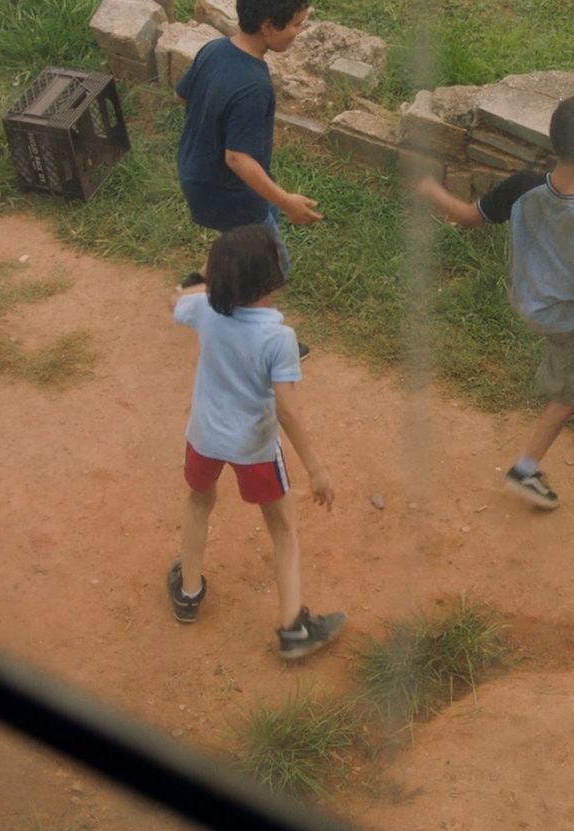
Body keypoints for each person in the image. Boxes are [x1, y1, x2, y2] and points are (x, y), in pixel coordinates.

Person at [414, 95, 574, 509]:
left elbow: (468, 217)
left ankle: (551, 377)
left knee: (559, 367)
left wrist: (433, 189)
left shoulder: (523, 185)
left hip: (524, 300)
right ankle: (525, 469)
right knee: (568, 396)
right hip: (565, 319)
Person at [167, 224, 343, 659]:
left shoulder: (205, 309)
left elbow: (176, 300)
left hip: (204, 437)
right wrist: (315, 468)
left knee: (198, 501)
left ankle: (188, 592)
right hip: (254, 448)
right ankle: (292, 628)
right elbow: (286, 409)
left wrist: (202, 277)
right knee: (282, 529)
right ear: (271, 277)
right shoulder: (278, 338)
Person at [175, 0, 321, 357]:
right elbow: (238, 159)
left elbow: (182, 94)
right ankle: (260, 337)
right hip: (229, 190)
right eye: (295, 26)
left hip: (197, 170)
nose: (298, 33)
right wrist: (285, 201)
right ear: (268, 26)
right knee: (267, 265)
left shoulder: (214, 50)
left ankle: (200, 280)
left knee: (239, 236)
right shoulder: (253, 85)